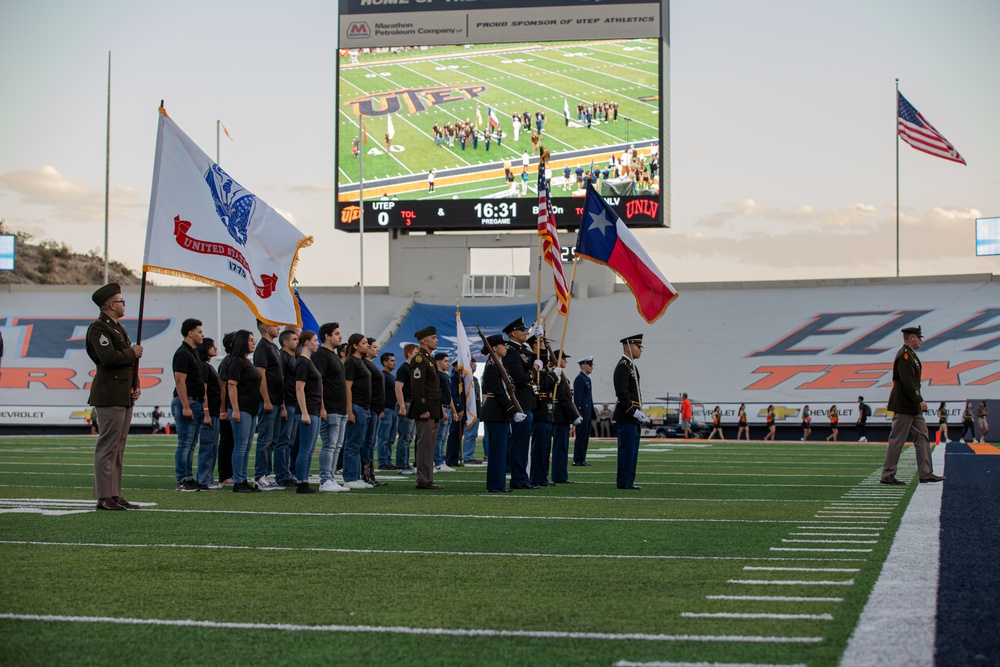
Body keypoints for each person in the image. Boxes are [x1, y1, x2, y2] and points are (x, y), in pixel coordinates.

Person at [86, 283, 143, 510]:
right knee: (107, 445)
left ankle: (114, 493)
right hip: (109, 394)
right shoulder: (99, 328)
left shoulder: (119, 328)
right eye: (121, 301)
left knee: (118, 447)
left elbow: (129, 366)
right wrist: (132, 352)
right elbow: (108, 358)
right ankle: (103, 496)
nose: (123, 304)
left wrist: (135, 384)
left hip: (123, 394)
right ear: (111, 305)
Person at [881, 326, 943, 485]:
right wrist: (919, 400)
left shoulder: (911, 355)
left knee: (923, 437)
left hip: (912, 407)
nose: (921, 340)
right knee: (897, 440)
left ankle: (926, 473)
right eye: (919, 337)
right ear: (911, 338)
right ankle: (887, 475)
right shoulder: (905, 355)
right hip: (904, 405)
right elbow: (908, 382)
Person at [480, 334, 522, 492]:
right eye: (503, 345)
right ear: (495, 348)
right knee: (497, 451)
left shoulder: (499, 364)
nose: (506, 347)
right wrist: (513, 411)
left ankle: (498, 483)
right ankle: (496, 485)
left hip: (500, 413)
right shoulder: (492, 365)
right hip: (495, 412)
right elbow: (498, 392)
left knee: (501, 450)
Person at [222, 329, 262, 492]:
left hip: (251, 410)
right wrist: (235, 410)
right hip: (242, 409)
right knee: (240, 446)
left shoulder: (247, 361)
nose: (254, 342)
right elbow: (231, 386)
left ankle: (243, 479)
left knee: (246, 447)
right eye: (251, 340)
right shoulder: (237, 361)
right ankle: (238, 481)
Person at [503, 318, 538, 490]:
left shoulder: (522, 350)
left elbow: (536, 362)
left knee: (524, 443)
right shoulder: (511, 352)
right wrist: (534, 370)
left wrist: (541, 346)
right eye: (522, 330)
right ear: (513, 334)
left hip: (527, 402)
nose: (526, 332)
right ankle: (518, 479)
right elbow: (520, 379)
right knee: (519, 443)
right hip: (519, 403)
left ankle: (523, 477)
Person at [314, 323, 349, 493]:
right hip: (330, 407)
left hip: (340, 409)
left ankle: (331, 478)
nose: (340, 336)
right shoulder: (321, 355)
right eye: (337, 333)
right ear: (327, 336)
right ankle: (325, 479)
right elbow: (318, 382)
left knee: (337, 445)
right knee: (329, 444)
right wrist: (322, 408)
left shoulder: (334, 356)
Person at [172, 318, 206, 492]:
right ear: (190, 333)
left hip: (196, 402)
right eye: (199, 331)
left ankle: (188, 477)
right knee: (185, 443)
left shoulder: (193, 352)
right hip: (188, 401)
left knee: (191, 444)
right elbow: (180, 381)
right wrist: (185, 406)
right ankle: (182, 480)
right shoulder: (183, 353)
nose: (202, 335)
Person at [408, 326, 444, 489]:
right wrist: (423, 408)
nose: (436, 340)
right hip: (426, 410)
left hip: (433, 409)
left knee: (430, 446)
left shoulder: (428, 358)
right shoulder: (419, 359)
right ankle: (423, 479)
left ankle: (427, 478)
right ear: (424, 340)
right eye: (433, 337)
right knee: (424, 446)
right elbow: (417, 386)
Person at [253, 320, 285, 491]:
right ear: (266, 328)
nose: (278, 327)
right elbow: (261, 375)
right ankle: (260, 476)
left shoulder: (273, 347)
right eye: (275, 324)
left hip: (277, 400)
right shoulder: (263, 347)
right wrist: (266, 399)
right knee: (265, 439)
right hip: (269, 400)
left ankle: (267, 474)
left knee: (273, 440)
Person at [614, 334, 647, 490]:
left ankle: (629, 480)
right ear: (628, 346)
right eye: (637, 346)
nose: (640, 350)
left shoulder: (631, 367)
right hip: (626, 415)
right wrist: (632, 411)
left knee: (632, 450)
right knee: (627, 450)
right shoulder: (623, 366)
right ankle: (624, 481)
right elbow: (622, 393)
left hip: (632, 416)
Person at [293, 330, 323, 494]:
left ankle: (304, 480)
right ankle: (301, 483)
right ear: (306, 342)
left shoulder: (308, 361)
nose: (317, 343)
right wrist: (304, 412)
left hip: (314, 408)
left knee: (309, 448)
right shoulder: (302, 362)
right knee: (305, 448)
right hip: (308, 409)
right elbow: (299, 388)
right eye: (315, 340)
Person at [342, 333, 373, 490]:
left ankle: (355, 476)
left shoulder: (360, 362)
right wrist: (350, 410)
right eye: (364, 343)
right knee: (352, 444)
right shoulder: (352, 362)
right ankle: (349, 478)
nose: (367, 345)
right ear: (355, 345)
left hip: (364, 408)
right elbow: (347, 387)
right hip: (356, 407)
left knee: (358, 443)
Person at [274, 329, 301, 488]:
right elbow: (280, 382)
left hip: (294, 403)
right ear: (285, 342)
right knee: (283, 441)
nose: (297, 341)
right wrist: (283, 405)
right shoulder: (282, 357)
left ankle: (286, 473)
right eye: (294, 339)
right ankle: (281, 475)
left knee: (289, 442)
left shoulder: (292, 357)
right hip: (288, 403)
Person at [196, 338, 223, 490]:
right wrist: (206, 413)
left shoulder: (208, 366)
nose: (215, 348)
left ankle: (208, 479)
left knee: (212, 447)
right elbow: (204, 391)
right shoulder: (203, 367)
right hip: (209, 413)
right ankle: (204, 480)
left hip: (214, 412)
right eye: (212, 346)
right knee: (207, 447)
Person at [551, 350, 581, 484]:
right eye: (563, 358)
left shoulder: (563, 376)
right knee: (560, 447)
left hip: (563, 416)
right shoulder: (556, 376)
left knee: (563, 447)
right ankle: (559, 475)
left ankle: (562, 474)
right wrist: (574, 415)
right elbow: (563, 398)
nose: (566, 361)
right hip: (559, 416)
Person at [362, 338, 388, 487]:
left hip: (376, 409)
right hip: (370, 408)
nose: (376, 349)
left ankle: (370, 473)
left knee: (371, 443)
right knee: (367, 442)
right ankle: (365, 474)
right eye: (373, 347)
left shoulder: (371, 365)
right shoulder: (365, 365)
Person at [529, 347, 556, 487]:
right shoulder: (534, 366)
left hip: (546, 410)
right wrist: (553, 377)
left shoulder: (543, 367)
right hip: (539, 409)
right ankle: (536, 477)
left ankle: (542, 477)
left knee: (546, 447)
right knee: (539, 447)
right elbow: (542, 386)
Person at [394, 343, 419, 474]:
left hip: (412, 404)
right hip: (407, 404)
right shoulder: (404, 368)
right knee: (404, 437)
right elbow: (398, 388)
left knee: (409, 437)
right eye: (415, 353)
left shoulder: (413, 368)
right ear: (409, 354)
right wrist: (402, 406)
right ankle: (401, 465)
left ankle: (405, 464)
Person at [216, 333, 235, 485]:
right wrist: (222, 410)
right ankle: (224, 475)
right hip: (227, 409)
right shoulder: (227, 363)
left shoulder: (235, 362)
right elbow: (223, 388)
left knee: (234, 442)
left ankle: (233, 473)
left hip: (234, 408)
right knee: (227, 442)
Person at [433, 352, 457, 472]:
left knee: (443, 438)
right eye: (445, 361)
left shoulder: (446, 375)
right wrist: (442, 411)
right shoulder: (437, 375)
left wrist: (454, 411)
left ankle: (441, 461)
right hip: (442, 407)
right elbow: (438, 394)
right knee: (439, 437)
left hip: (447, 407)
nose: (448, 363)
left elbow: (449, 396)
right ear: (438, 362)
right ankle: (437, 462)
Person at [377, 351, 399, 471]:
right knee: (383, 438)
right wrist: (380, 410)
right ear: (385, 363)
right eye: (391, 360)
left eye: (394, 360)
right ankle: (382, 461)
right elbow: (379, 393)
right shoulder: (383, 376)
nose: (394, 362)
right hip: (385, 410)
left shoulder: (391, 376)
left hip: (393, 410)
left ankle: (388, 460)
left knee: (390, 438)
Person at [572, 356, 594, 466]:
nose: (592, 368)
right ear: (584, 366)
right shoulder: (580, 378)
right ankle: (577, 459)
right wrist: (578, 413)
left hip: (587, 412)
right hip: (582, 413)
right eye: (590, 365)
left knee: (585, 436)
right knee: (581, 436)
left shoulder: (587, 379)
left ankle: (582, 458)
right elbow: (578, 398)